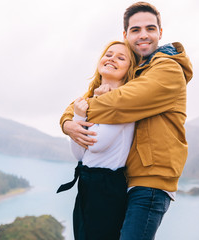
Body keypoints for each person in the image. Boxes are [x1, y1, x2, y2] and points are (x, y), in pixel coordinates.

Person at [60, 2, 193, 240]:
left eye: (150, 28)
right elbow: (86, 101)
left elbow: (120, 102)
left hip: (151, 181)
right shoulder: (136, 71)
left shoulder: (167, 70)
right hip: (126, 179)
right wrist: (68, 121)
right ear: (126, 34)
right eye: (135, 30)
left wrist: (78, 114)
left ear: (160, 33)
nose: (143, 35)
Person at [57, 41, 137, 240]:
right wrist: (77, 116)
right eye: (109, 54)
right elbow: (78, 154)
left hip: (107, 188)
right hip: (86, 183)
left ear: (129, 69)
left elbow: (97, 143)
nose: (112, 58)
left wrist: (97, 106)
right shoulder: (91, 99)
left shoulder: (124, 100)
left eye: (121, 58)